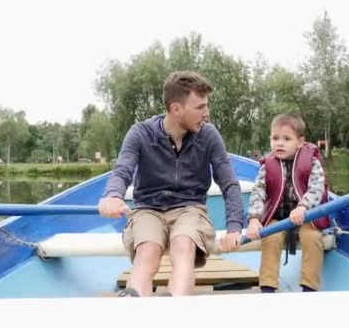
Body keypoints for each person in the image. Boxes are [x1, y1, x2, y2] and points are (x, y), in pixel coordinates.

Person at [98, 71, 244, 297]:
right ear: (176, 109)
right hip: (148, 209)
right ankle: (132, 304)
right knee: (147, 251)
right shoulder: (141, 133)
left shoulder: (209, 135)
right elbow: (123, 170)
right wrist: (113, 196)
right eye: (200, 107)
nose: (207, 113)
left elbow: (229, 183)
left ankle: (176, 308)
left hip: (190, 208)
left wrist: (235, 226)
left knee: (183, 245)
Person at [246, 114, 330, 293]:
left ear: (300, 142)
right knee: (271, 238)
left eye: (286, 139)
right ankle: (268, 287)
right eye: (275, 138)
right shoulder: (267, 165)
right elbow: (257, 193)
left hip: (307, 217)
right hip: (278, 217)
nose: (279, 143)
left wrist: (303, 207)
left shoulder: (311, 162)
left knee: (313, 238)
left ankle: (309, 288)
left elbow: (317, 188)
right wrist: (254, 219)